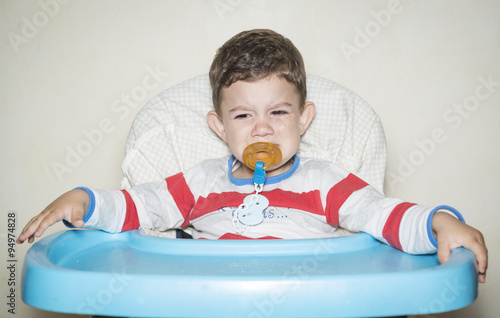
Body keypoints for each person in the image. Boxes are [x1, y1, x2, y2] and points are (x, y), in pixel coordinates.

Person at [16, 29, 488, 283]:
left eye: (278, 111)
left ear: (304, 119)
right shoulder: (201, 182)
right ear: (219, 127)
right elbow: (140, 205)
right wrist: (82, 201)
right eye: (243, 116)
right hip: (205, 303)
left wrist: (440, 223)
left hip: (305, 306)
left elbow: (383, 214)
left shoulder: (325, 181)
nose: (262, 127)